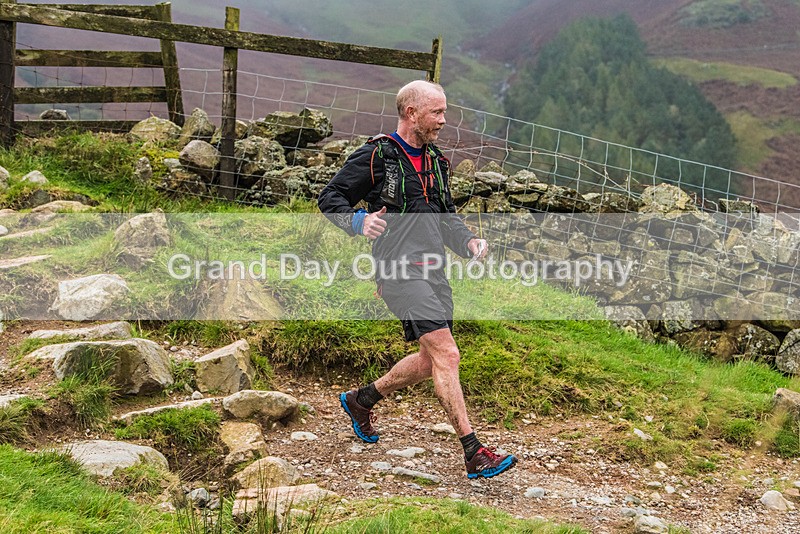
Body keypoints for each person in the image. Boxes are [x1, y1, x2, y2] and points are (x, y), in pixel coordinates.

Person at [317, 80, 517, 479]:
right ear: (411, 114)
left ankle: (362, 399)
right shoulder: (378, 156)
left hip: (434, 273)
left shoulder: (438, 163)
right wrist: (358, 221)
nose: (444, 120)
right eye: (437, 113)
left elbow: (446, 219)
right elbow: (330, 197)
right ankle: (474, 452)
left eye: (444, 112)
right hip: (398, 271)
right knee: (448, 354)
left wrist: (469, 242)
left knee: (430, 361)